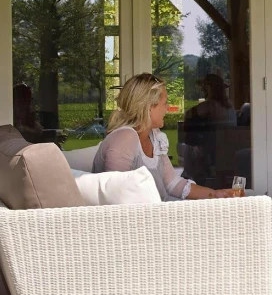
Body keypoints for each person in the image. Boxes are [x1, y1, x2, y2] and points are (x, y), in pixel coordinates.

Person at [93, 73, 238, 201]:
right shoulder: (125, 138)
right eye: (165, 102)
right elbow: (115, 197)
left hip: (159, 214)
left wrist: (215, 194)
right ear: (149, 107)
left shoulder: (155, 137)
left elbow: (172, 183)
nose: (167, 108)